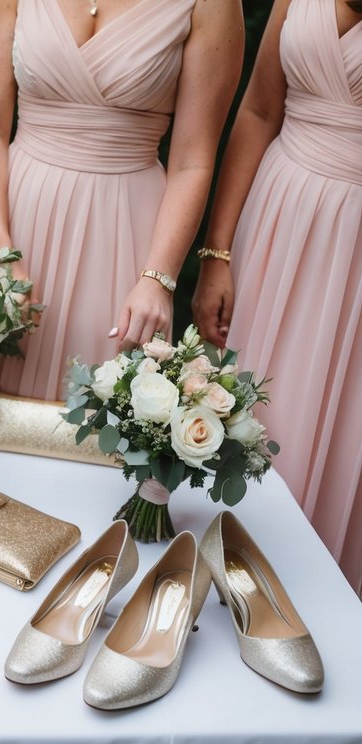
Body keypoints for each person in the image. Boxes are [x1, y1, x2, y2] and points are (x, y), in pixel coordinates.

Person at [0, 0, 243, 403]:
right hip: (15, 219)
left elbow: (192, 162)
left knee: (99, 413)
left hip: (125, 234)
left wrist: (158, 279)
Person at [193, 0, 362, 594]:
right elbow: (261, 110)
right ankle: (209, 579)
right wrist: (218, 253)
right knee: (245, 409)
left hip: (356, 254)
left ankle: (311, 599)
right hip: (274, 223)